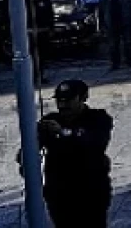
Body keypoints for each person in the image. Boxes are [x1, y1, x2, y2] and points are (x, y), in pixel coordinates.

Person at [32, 80, 114, 227]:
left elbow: (96, 143)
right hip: (59, 192)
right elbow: (29, 151)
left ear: (83, 98)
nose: (63, 105)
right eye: (59, 100)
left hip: (90, 190)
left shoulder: (98, 118)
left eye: (68, 100)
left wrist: (62, 133)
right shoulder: (50, 121)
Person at [25, 0, 56, 84]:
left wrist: (51, 28)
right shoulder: (22, 2)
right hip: (28, 33)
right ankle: (30, 77)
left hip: (42, 32)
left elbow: (50, 16)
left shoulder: (44, 1)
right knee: (29, 56)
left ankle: (39, 76)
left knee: (41, 56)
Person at [101, 0, 131, 70]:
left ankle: (129, 61)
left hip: (125, 23)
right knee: (113, 45)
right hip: (111, 24)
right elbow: (101, 12)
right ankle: (115, 63)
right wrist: (102, 25)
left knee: (128, 43)